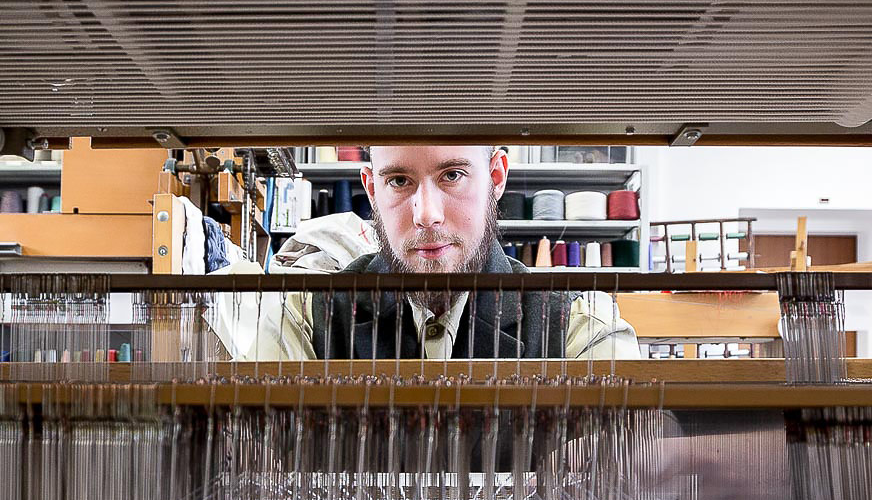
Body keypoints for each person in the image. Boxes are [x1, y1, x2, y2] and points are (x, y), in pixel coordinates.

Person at [213, 145, 640, 361]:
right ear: (372, 190)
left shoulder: (578, 325)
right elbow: (247, 447)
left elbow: (644, 448)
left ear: (495, 178)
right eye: (399, 181)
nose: (427, 215)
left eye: (452, 175)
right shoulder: (304, 318)